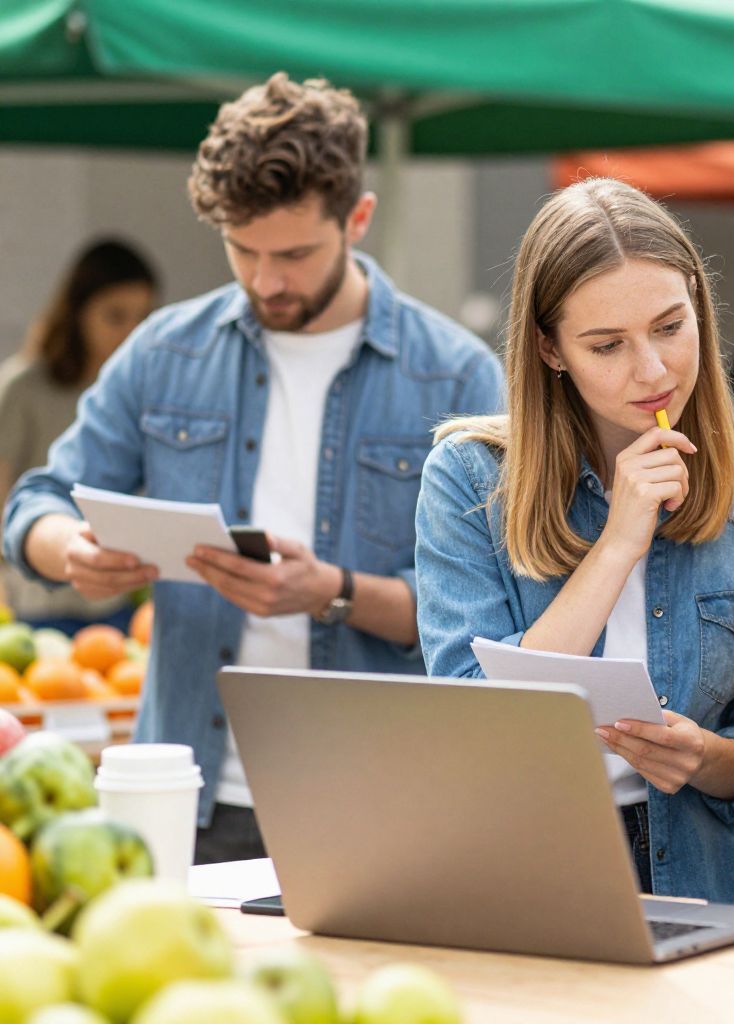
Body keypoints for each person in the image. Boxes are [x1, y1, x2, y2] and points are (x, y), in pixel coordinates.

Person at [2, 73, 503, 864]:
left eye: (296, 253)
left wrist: (334, 593)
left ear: (358, 219)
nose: (268, 280)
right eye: (243, 250)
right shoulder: (166, 351)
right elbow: (34, 499)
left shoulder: (458, 377)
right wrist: (69, 548)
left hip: (377, 798)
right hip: (184, 796)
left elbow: (492, 626)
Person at [413, 178, 734, 906]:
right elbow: (476, 725)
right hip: (524, 873)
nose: (651, 370)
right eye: (606, 345)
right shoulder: (468, 480)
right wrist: (618, 542)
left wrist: (707, 758)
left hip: (702, 878)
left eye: (669, 327)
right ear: (549, 350)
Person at [0, 239, 159, 633]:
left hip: (117, 600)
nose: (129, 334)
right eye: (115, 316)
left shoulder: (139, 393)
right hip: (38, 599)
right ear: (78, 312)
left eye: (142, 319)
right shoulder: (22, 389)